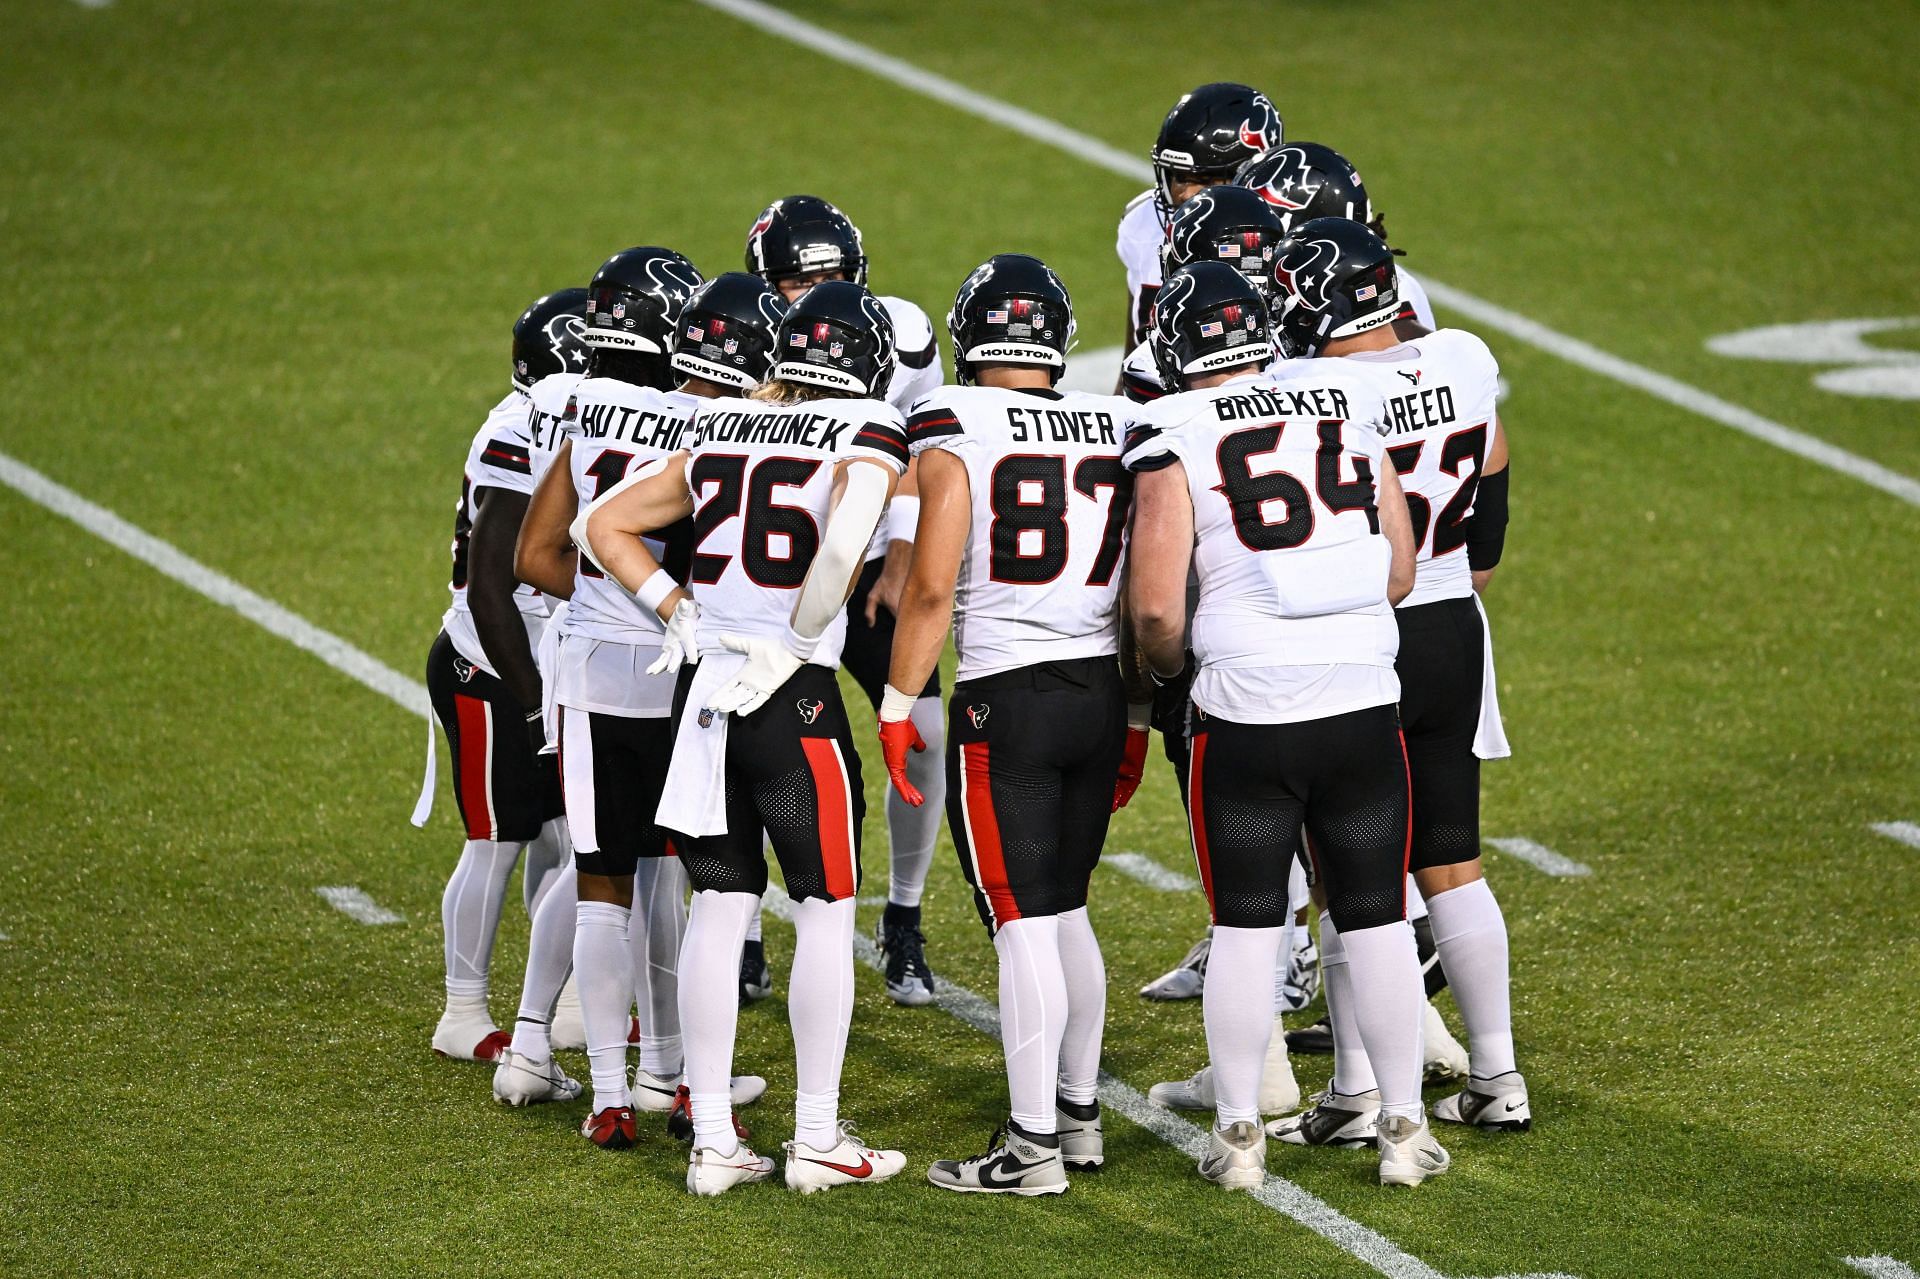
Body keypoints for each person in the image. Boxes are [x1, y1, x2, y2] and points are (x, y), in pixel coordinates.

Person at [1125, 260, 1447, 1188]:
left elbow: (1153, 606)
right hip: (1358, 698)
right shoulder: (1342, 406)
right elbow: (1397, 567)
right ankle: (1402, 1130)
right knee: (1378, 916)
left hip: (1249, 705)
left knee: (1246, 923)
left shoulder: (1170, 429)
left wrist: (1176, 673)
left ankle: (1237, 1139)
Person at [583, 280, 909, 1197]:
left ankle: (714, 1140)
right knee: (825, 909)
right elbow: (842, 549)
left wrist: (677, 608)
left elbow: (601, 524)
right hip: (789, 691)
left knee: (719, 908)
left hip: (705, 687)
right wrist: (800, 644)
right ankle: (814, 1137)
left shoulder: (723, 425)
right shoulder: (868, 425)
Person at [497, 269, 783, 1149]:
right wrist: (671, 607)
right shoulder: (732, 427)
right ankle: (692, 1087)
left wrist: (608, 606)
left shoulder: (585, 406)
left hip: (592, 673)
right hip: (691, 673)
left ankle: (610, 1098)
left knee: (601, 884)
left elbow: (536, 552)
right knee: (711, 880)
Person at [1262, 219, 1525, 1150]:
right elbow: (1489, 499)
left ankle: (1355, 1088)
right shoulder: (1459, 354)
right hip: (1457, 621)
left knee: (1349, 872)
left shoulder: (1304, 387)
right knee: (1453, 856)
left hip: (1370, 629)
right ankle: (1496, 1073)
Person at [878, 255, 1136, 1195]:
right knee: (1067, 904)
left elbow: (932, 585)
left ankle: (1031, 1148)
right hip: (1101, 687)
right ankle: (1077, 1116)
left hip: (1007, 696)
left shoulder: (952, 419)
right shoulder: (1119, 420)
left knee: (1022, 919)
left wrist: (900, 703)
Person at [741, 195, 947, 1006]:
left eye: (831, 276)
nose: (814, 293)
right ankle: (749, 924)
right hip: (775, 573)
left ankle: (902, 915)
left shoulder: (894, 331)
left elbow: (923, 451)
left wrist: (899, 551)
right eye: (798, 280)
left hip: (866, 570)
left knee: (924, 732)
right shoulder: (739, 330)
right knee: (752, 737)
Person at [420, 288, 581, 1064]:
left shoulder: (555, 425)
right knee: (499, 839)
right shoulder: (517, 432)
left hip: (545, 660)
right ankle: (462, 1010)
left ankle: (564, 1003)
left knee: (571, 839)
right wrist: (529, 704)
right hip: (491, 662)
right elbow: (492, 588)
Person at [1116, 82, 1282, 358]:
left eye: (1203, 179)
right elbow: (1134, 352)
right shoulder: (1142, 221)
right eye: (1179, 176)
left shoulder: (1284, 235)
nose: (1184, 194)